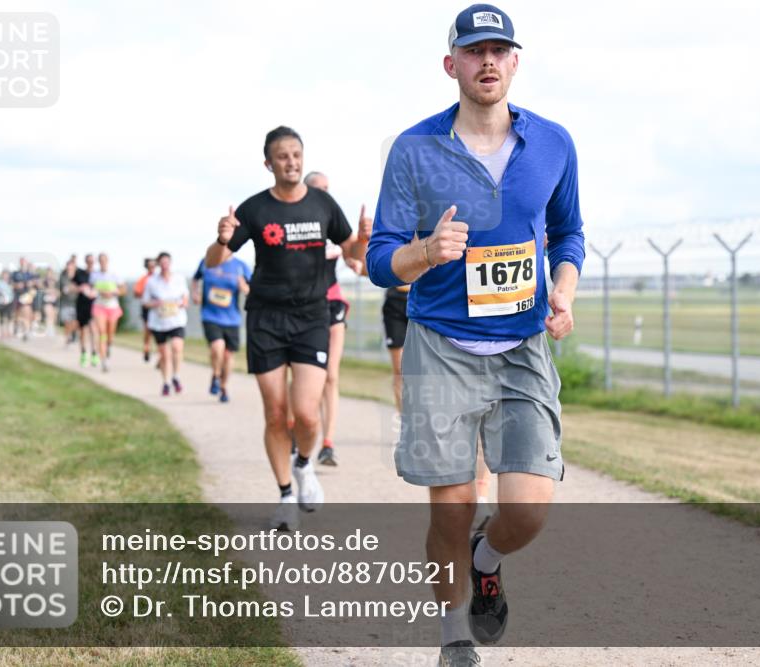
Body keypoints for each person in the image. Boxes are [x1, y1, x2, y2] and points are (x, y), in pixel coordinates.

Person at [365, 6, 585, 664]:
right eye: (473, 51)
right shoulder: (415, 149)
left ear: (515, 61)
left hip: (522, 347)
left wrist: (564, 292)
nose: (486, 61)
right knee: (451, 512)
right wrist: (426, 250)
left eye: (499, 50)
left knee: (528, 510)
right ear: (451, 64)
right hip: (442, 349)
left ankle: (486, 560)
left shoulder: (553, 143)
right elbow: (380, 258)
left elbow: (569, 232)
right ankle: (455, 637)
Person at [205, 126, 368, 531]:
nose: (292, 162)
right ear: (269, 163)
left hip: (312, 317)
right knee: (276, 414)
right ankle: (285, 497)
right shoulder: (255, 209)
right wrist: (221, 238)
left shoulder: (323, 205)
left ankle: (303, 464)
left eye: (297, 154)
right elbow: (214, 260)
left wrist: (363, 239)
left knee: (307, 414)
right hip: (266, 318)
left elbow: (354, 256)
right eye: (283, 156)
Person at [304, 171, 372, 467]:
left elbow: (359, 263)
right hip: (302, 309)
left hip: (332, 304)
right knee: (308, 378)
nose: (324, 193)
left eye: (327, 188)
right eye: (318, 188)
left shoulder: (336, 226)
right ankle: (305, 430)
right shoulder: (295, 224)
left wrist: (363, 240)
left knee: (331, 375)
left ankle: (328, 443)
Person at [191, 255, 251, 403]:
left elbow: (252, 288)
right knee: (217, 346)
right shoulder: (207, 261)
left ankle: (223, 387)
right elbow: (195, 279)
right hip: (210, 315)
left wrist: (244, 288)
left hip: (232, 318)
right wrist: (195, 293)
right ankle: (216, 375)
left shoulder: (240, 265)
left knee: (228, 356)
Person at [142, 252, 188, 396]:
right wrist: (156, 303)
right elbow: (145, 302)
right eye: (161, 263)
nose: (164, 266)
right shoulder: (152, 281)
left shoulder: (179, 278)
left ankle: (176, 376)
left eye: (166, 262)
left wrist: (182, 304)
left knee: (176, 347)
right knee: (164, 354)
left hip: (176, 320)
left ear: (170, 263)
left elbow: (185, 297)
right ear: (158, 265)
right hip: (159, 322)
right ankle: (166, 382)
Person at [90, 253, 125, 372]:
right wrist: (97, 292)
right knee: (102, 333)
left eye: (104, 260)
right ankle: (104, 361)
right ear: (98, 262)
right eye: (100, 260)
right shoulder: (94, 275)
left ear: (107, 261)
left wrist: (112, 293)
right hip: (99, 306)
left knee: (110, 335)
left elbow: (123, 290)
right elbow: (91, 289)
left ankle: (108, 346)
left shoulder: (114, 274)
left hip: (113, 307)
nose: (102, 262)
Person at [73, 254, 98, 367]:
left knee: (93, 329)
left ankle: (94, 353)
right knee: (83, 330)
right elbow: (71, 287)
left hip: (95, 305)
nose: (90, 263)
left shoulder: (97, 275)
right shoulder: (79, 273)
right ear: (86, 262)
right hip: (82, 305)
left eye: (92, 261)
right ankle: (83, 353)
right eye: (88, 261)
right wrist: (80, 288)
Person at [134, 257, 157, 362]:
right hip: (147, 308)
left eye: (154, 266)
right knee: (148, 331)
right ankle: (146, 349)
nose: (152, 268)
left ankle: (160, 355)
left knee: (159, 332)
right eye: (150, 266)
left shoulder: (159, 278)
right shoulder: (143, 279)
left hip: (158, 308)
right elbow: (136, 293)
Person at [58, 258, 80, 345]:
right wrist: (72, 288)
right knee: (67, 321)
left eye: (72, 266)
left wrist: (73, 288)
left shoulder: (78, 277)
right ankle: (68, 337)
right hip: (65, 302)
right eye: (69, 266)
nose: (70, 268)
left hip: (76, 302)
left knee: (74, 321)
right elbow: (63, 289)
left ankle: (72, 334)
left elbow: (80, 288)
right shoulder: (63, 277)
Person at [0, 269, 14, 339]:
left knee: (9, 317)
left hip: (10, 301)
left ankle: (8, 332)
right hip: (1, 302)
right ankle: (2, 333)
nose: (5, 276)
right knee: (2, 318)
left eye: (7, 274)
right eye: (4, 274)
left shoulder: (11, 283)